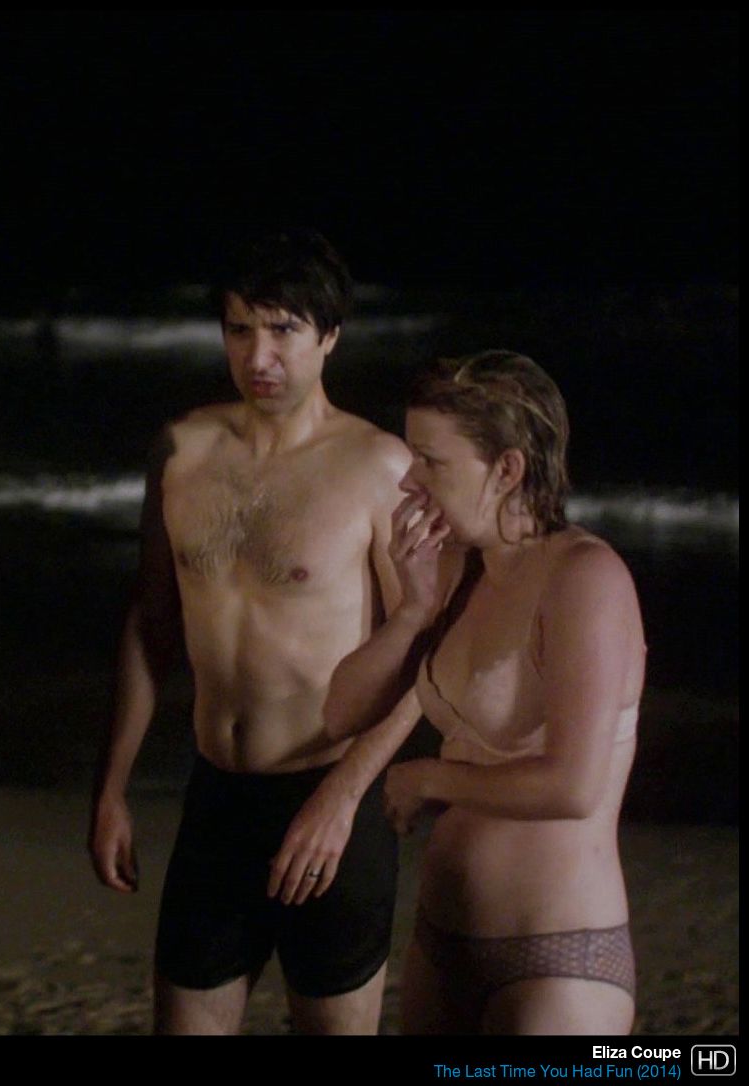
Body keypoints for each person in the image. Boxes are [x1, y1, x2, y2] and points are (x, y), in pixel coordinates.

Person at [87, 229, 420, 1033]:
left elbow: (427, 648)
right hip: (216, 795)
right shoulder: (182, 451)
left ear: (329, 336)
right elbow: (151, 621)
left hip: (329, 794)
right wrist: (111, 789)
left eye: (282, 331)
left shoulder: (378, 467)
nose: (258, 356)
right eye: (240, 329)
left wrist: (344, 799)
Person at [323, 350, 644, 1034]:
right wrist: (413, 612)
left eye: (430, 460)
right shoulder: (453, 568)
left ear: (507, 469)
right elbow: (341, 712)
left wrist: (427, 778)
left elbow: (573, 787)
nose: (408, 479)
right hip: (443, 945)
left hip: (557, 959)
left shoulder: (584, 579)